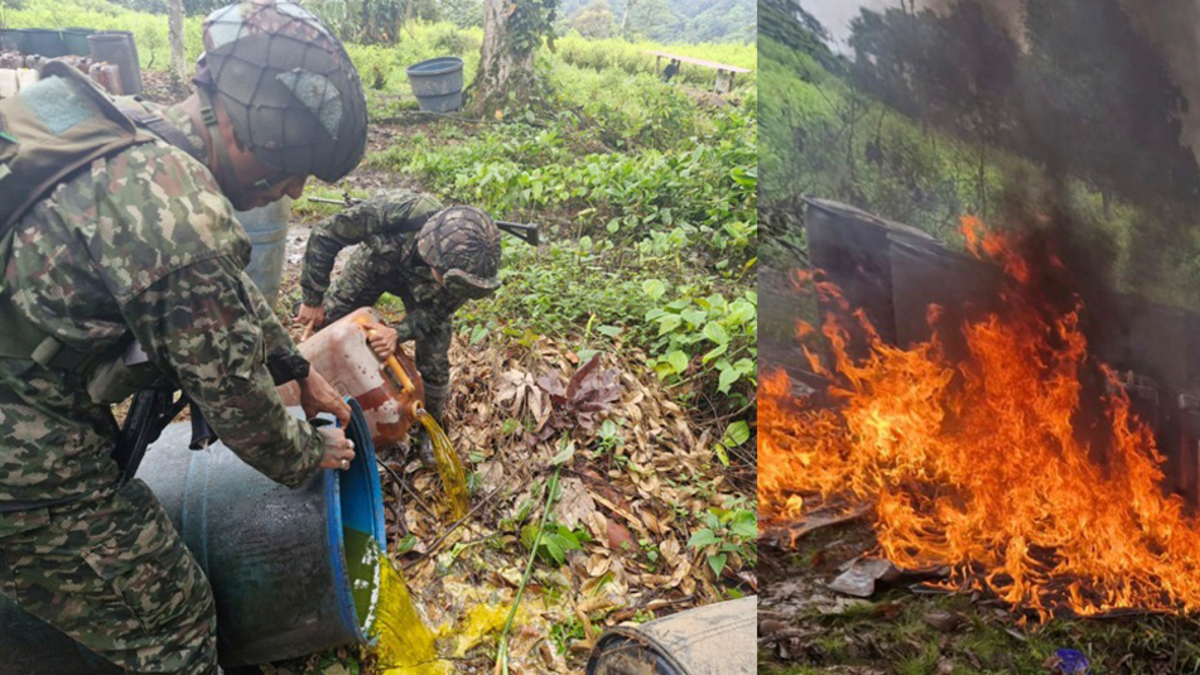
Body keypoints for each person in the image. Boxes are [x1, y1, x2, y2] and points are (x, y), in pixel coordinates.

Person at [0, 1, 368, 673]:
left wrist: (292, 362)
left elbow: (216, 293)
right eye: (288, 167)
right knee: (170, 613)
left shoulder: (131, 124)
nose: (290, 187)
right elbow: (240, 411)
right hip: (16, 442)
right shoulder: (179, 216)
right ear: (237, 128)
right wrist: (307, 450)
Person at [296, 190, 502, 453]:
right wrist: (312, 298)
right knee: (330, 322)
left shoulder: (471, 271)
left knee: (435, 360)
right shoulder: (400, 210)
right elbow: (326, 234)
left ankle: (428, 431)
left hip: (426, 292)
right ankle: (311, 400)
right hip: (374, 268)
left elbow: (437, 313)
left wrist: (397, 332)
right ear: (435, 258)